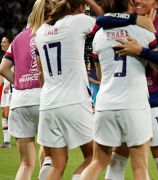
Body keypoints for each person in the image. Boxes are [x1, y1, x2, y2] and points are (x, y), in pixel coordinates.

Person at [96, 0, 158, 179]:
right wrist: (135, 20)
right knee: (117, 160)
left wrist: (141, 51)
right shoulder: (124, 22)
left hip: (155, 101)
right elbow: (102, 20)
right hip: (129, 103)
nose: (138, 0)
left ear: (157, 3)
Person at [80, 0, 158, 179]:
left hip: (105, 103)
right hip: (134, 104)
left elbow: (100, 76)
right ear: (130, 5)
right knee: (139, 167)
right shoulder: (143, 31)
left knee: (98, 162)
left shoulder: (99, 35)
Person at [35, 0, 98, 179]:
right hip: (74, 100)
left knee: (56, 165)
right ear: (79, 8)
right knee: (95, 157)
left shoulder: (40, 32)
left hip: (48, 103)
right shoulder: (78, 21)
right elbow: (105, 20)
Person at [0, 0, 56, 179]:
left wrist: (18, 83)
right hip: (44, 98)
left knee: (26, 163)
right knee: (50, 157)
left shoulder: (18, 38)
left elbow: (3, 68)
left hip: (20, 101)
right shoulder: (52, 34)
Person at [0, 35, 12, 148]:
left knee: (9, 114)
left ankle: (24, 136)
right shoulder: (5, 57)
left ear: (10, 43)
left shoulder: (14, 55)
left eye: (4, 42)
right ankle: (7, 141)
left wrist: (11, 84)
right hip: (5, 90)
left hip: (12, 90)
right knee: (4, 114)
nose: (1, 44)